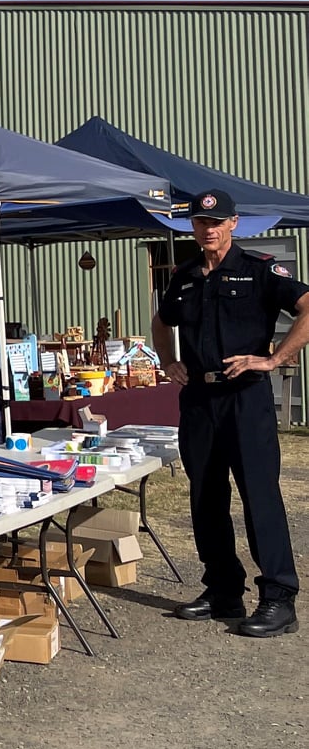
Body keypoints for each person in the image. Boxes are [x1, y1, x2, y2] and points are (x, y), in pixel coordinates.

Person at [152, 189, 309, 638]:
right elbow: (162, 322)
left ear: (234, 223)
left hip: (245, 399)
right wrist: (167, 360)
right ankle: (223, 590)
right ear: (193, 227)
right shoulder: (184, 276)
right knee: (206, 498)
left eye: (217, 221)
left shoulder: (258, 270)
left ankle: (279, 598)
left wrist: (275, 358)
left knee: (259, 497)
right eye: (201, 223)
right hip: (200, 401)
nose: (209, 229)